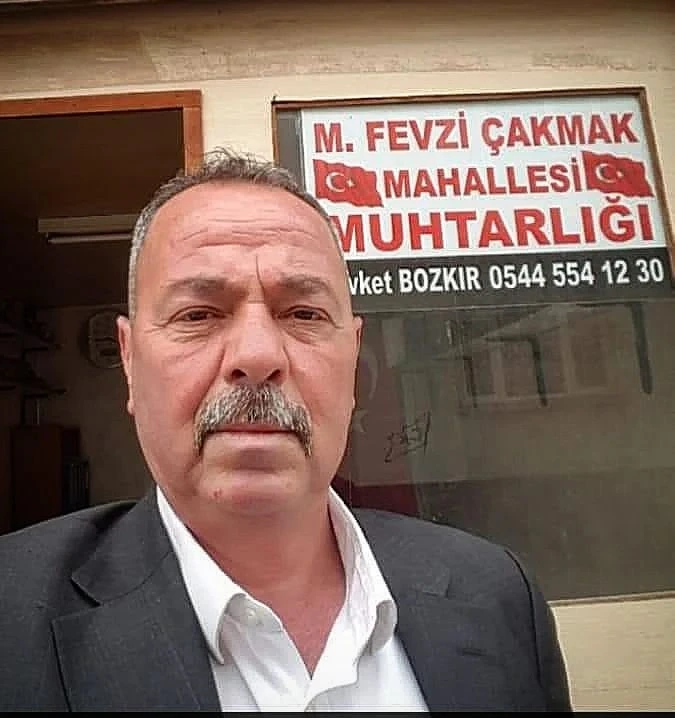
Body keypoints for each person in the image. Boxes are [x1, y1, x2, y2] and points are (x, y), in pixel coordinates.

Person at [0, 148, 572, 712]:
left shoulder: (498, 597)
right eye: (198, 314)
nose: (257, 355)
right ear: (129, 361)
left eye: (304, 314)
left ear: (353, 358)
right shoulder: (12, 616)